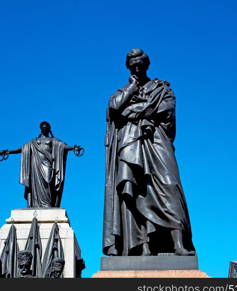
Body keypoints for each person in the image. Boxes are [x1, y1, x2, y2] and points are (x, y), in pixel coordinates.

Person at [103, 49, 196, 256]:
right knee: (135, 191)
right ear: (128, 67)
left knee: (170, 185)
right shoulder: (121, 91)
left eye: (140, 64)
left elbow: (166, 109)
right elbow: (114, 108)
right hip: (129, 144)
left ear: (147, 65)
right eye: (133, 65)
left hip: (156, 140)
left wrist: (135, 111)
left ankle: (178, 244)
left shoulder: (162, 88)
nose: (137, 68)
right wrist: (132, 88)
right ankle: (142, 245)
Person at [0, 121, 83, 208]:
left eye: (46, 127)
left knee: (48, 183)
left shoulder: (53, 140)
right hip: (36, 165)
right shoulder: (33, 142)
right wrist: (8, 152)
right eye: (43, 127)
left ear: (49, 129)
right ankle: (35, 205)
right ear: (41, 129)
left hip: (48, 165)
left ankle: (48, 204)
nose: (44, 129)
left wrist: (73, 148)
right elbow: (22, 149)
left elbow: (63, 146)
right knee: (35, 187)